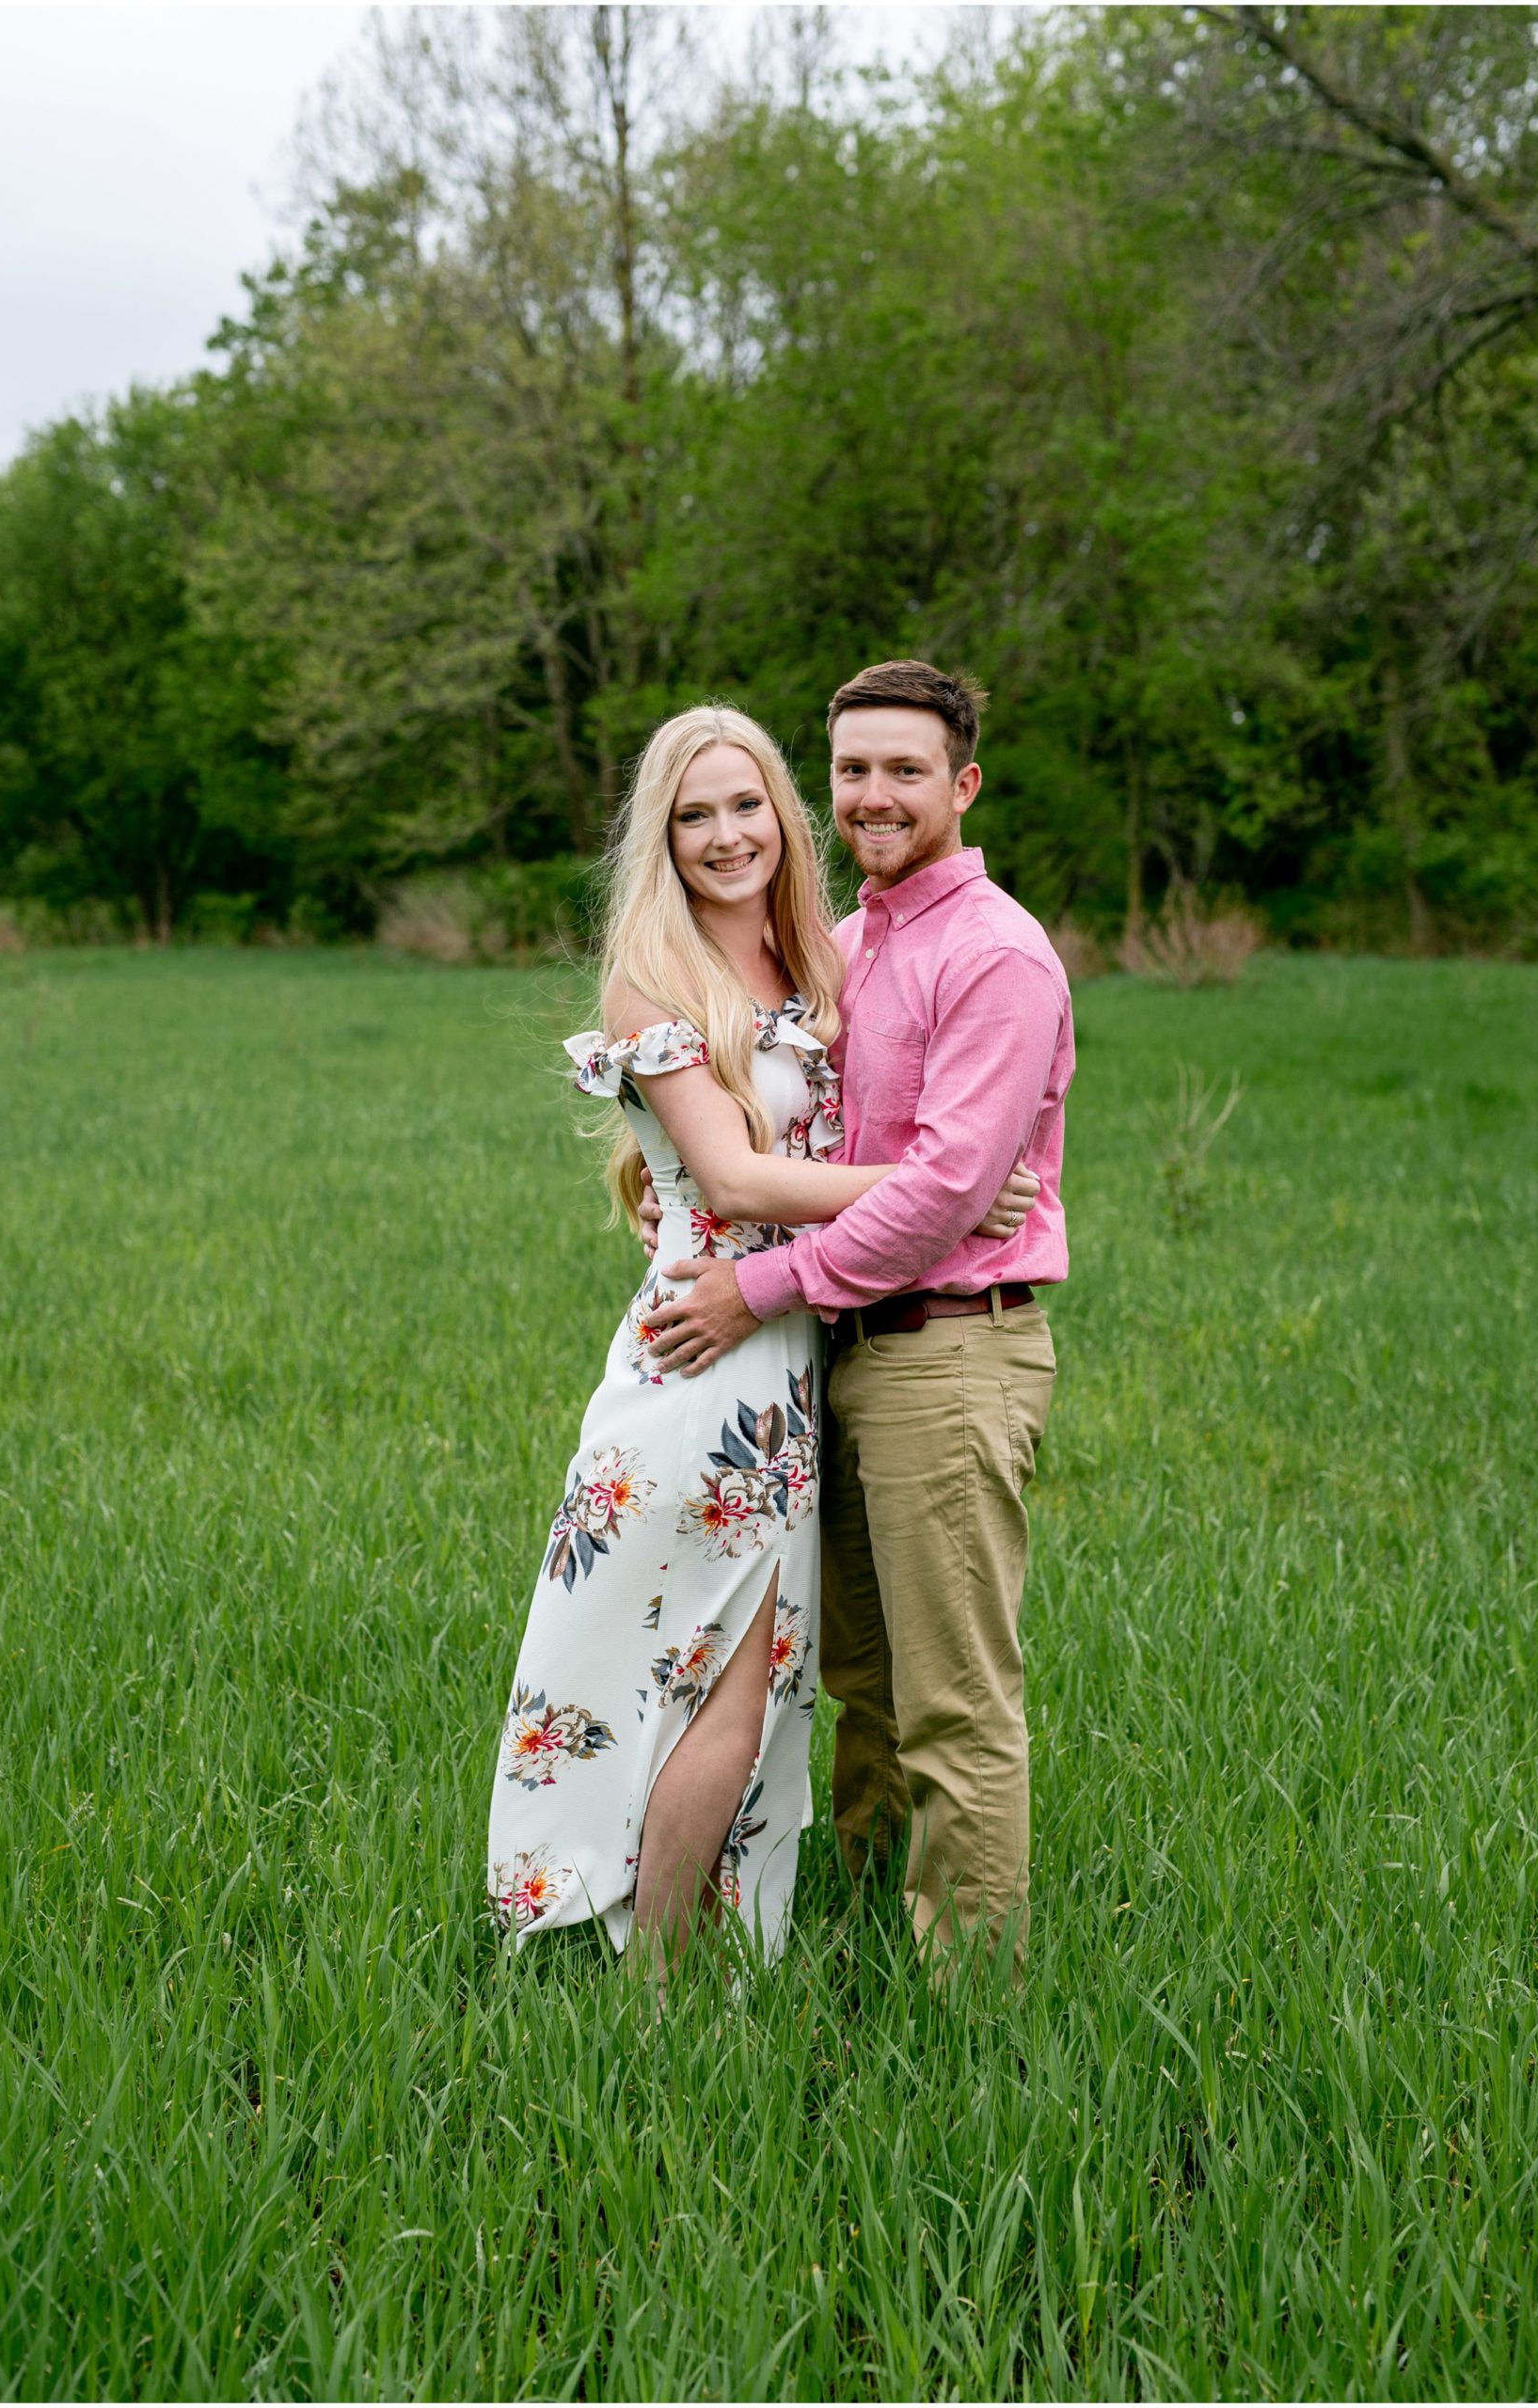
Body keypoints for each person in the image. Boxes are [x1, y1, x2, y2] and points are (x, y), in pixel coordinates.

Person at [485, 703, 1036, 1975]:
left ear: (784, 819)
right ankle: (657, 1985)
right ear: (661, 837)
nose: (725, 835)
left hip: (793, 1346)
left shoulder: (820, 964)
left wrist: (921, 1179)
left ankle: (692, 1952)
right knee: (719, 1685)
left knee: (767, 1672)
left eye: (745, 806)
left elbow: (812, 1135)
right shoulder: (652, 975)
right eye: (693, 815)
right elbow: (731, 1176)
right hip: (706, 1360)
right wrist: (940, 1185)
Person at [644, 661, 1073, 1980]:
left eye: (903, 770)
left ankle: (967, 2001)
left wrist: (755, 1286)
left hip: (950, 1353)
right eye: (849, 770)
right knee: (863, 1688)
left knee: (951, 1704)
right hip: (842, 1357)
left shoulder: (990, 951)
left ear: (962, 784)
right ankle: (862, 1924)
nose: (872, 796)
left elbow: (949, 1199)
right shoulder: (858, 937)